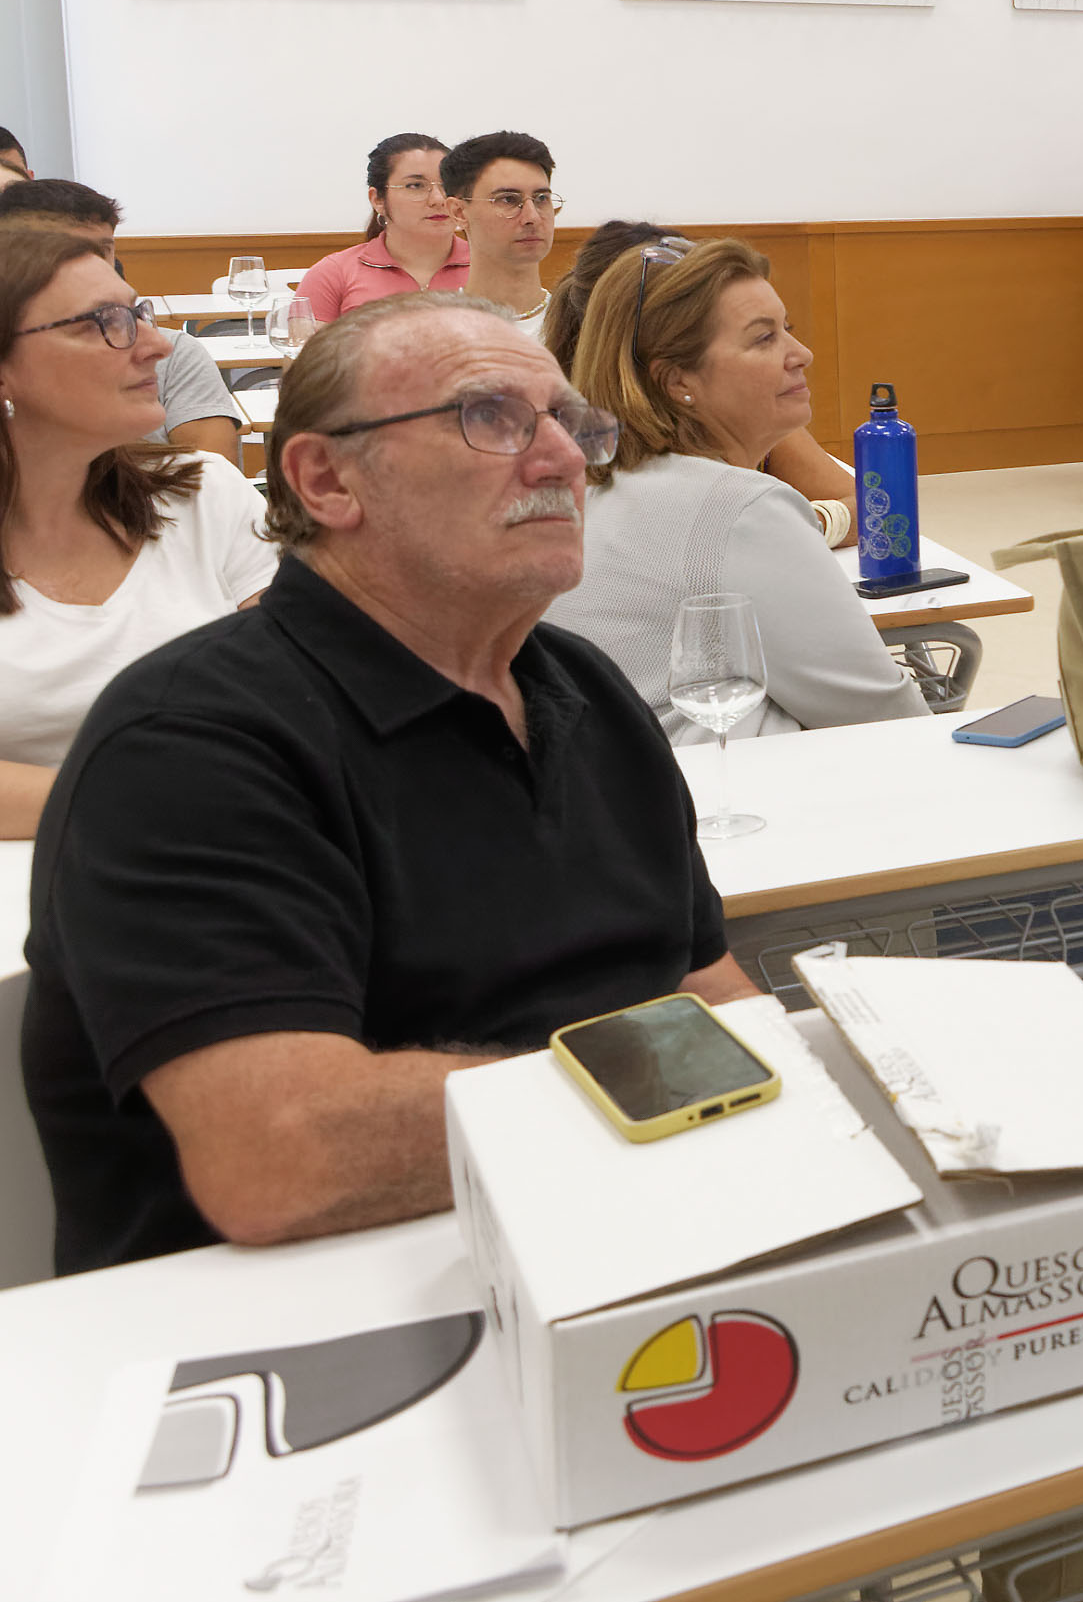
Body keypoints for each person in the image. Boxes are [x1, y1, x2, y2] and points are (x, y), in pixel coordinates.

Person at [20, 293, 758, 1271]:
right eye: (490, 417)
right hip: (306, 1322)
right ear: (327, 478)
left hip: (614, 1223)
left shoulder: (584, 689)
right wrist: (662, 1081)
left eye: (573, 424)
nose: (565, 459)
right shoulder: (188, 746)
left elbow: (711, 995)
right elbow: (287, 1155)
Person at [546, 238, 924, 744]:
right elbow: (885, 718)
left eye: (788, 329)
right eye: (764, 339)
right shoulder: (737, 507)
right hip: (733, 804)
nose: (802, 354)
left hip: (613, 802)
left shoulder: (585, 484)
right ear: (678, 380)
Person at [0, 228, 277, 836]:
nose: (155, 345)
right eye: (103, 322)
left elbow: (304, 692)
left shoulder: (202, 492)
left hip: (221, 863)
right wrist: (144, 798)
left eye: (138, 313)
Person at [546, 222, 856, 547]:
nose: (802, 354)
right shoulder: (574, 444)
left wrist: (800, 525)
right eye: (763, 338)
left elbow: (875, 512)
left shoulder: (745, 414)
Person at [0, 179, 243, 454]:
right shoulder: (23, 350)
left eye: (102, 251)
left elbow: (212, 473)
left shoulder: (171, 353)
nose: (93, 266)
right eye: (71, 252)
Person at [295, 133, 471, 323]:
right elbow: (305, 350)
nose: (438, 199)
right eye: (415, 186)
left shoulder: (492, 266)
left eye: (447, 185)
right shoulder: (333, 274)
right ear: (378, 199)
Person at [442, 130, 563, 343]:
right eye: (508, 200)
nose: (532, 217)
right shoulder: (435, 333)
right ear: (459, 212)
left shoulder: (579, 324)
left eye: (541, 198)